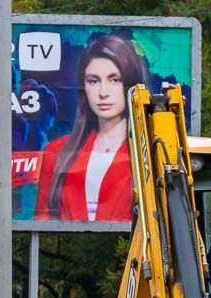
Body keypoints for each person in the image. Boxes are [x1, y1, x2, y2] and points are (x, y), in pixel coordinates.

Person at [34, 35, 146, 222]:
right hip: (67, 250)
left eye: (115, 80)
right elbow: (42, 225)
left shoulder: (148, 154)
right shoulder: (56, 152)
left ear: (131, 84)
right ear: (83, 86)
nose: (103, 93)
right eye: (93, 81)